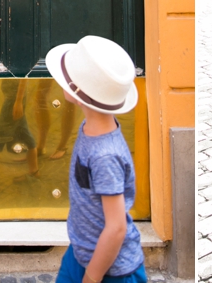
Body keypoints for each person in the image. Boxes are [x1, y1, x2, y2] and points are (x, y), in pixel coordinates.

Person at [46, 36, 146, 283]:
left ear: (79, 94)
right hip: (81, 254)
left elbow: (116, 227)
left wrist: (92, 277)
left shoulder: (105, 155)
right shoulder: (92, 126)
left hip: (109, 271)